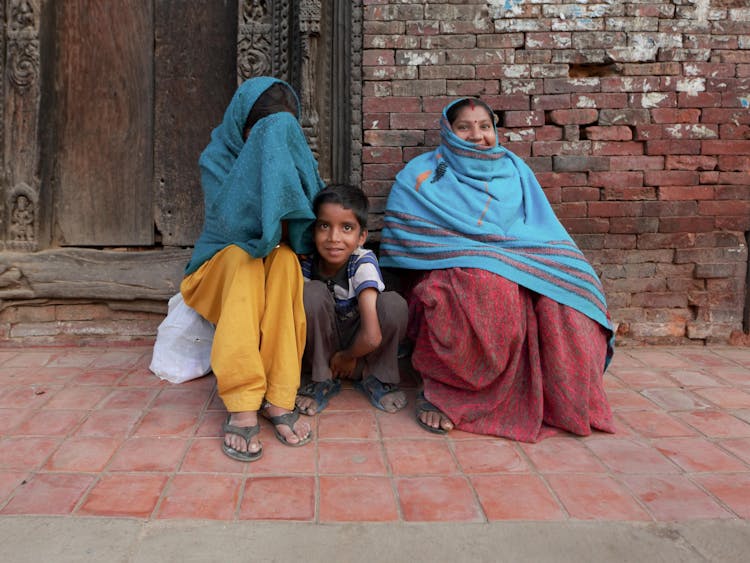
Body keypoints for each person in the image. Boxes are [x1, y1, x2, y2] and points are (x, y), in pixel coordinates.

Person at [379, 96, 615, 442]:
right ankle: (447, 394)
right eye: (465, 127)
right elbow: (411, 240)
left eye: (485, 127)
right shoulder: (421, 175)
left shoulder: (515, 170)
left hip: (522, 255)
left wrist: (532, 261)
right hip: (453, 261)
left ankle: (562, 402)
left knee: (568, 299)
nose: (477, 135)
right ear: (448, 131)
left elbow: (538, 224)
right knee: (487, 291)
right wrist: (484, 256)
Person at [180, 76, 325, 461]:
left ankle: (279, 397)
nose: (270, 149)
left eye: (280, 139)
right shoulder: (216, 158)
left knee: (285, 263)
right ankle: (243, 401)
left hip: (268, 266)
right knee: (244, 260)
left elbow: (304, 235)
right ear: (241, 128)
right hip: (216, 273)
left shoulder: (296, 160)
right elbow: (235, 229)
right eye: (260, 137)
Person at [295, 184, 408, 415]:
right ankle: (322, 379)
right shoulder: (307, 262)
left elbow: (372, 335)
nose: (333, 238)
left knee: (393, 305)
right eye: (324, 226)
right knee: (310, 293)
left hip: (361, 348)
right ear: (313, 230)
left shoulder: (362, 262)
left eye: (346, 228)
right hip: (324, 352)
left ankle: (376, 376)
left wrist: (347, 357)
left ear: (361, 237)